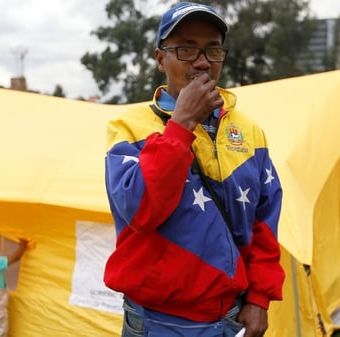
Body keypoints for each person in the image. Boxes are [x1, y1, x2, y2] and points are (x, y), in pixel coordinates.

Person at [103, 2, 285, 337]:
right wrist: (182, 123)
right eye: (186, 48)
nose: (202, 62)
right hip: (157, 321)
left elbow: (265, 219)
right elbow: (141, 211)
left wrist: (260, 298)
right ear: (161, 59)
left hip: (233, 317)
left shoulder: (249, 131)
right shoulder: (127, 127)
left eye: (212, 50)